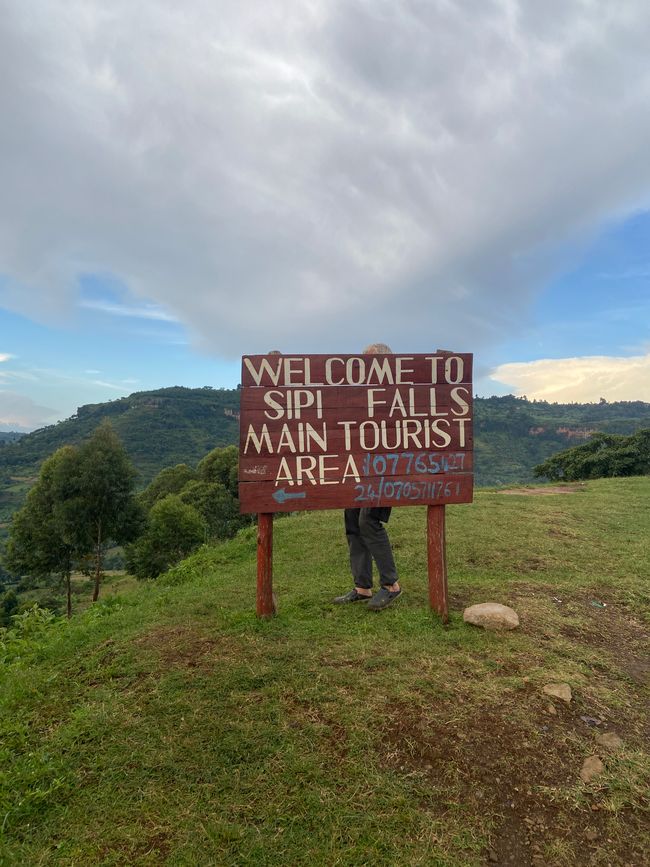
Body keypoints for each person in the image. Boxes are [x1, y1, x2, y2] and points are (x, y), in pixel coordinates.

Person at [333, 343, 402, 611]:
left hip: (386, 469)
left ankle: (391, 586)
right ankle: (362, 588)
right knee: (352, 518)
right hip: (360, 468)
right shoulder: (361, 393)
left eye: (370, 362)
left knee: (369, 520)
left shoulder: (398, 392)